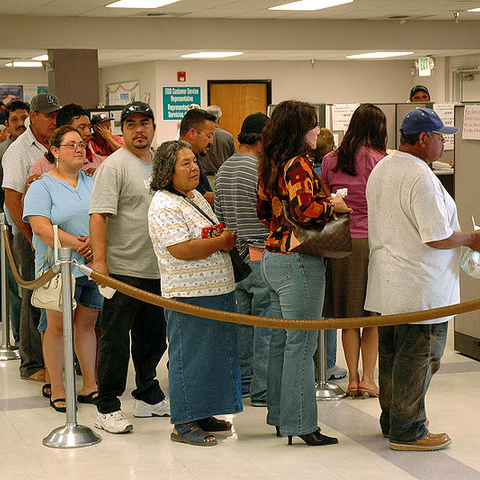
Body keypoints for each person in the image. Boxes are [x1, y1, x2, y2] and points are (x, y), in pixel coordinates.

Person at [365, 107, 480, 451]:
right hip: (420, 288)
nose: (445, 144)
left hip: (389, 284)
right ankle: (409, 428)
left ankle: (394, 418)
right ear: (423, 139)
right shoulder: (421, 177)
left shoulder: (383, 167)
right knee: (421, 355)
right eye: (441, 137)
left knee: (393, 354)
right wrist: (471, 239)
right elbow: (436, 236)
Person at [257, 100, 351, 446]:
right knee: (303, 343)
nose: (317, 131)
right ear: (299, 130)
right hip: (299, 261)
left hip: (273, 256)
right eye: (313, 125)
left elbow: (263, 210)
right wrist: (333, 205)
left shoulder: (270, 162)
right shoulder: (298, 164)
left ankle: (282, 416)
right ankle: (301, 424)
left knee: (284, 341)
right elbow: (306, 209)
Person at [148, 140, 242, 447]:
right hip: (188, 296)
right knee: (188, 358)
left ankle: (202, 413)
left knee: (212, 357)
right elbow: (181, 249)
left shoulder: (195, 197)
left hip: (217, 291)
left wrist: (219, 238)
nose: (194, 168)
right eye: (185, 163)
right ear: (167, 171)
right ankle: (184, 422)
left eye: (194, 162)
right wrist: (221, 242)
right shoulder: (164, 204)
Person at [89, 101, 169, 434]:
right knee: (115, 340)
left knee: (153, 339)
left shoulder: (160, 165)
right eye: (132, 123)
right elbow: (98, 215)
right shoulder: (115, 165)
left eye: (145, 123)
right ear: (122, 129)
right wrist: (101, 263)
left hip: (157, 270)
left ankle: (147, 395)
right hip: (122, 271)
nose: (139, 129)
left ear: (153, 128)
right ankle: (107, 406)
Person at [23, 125, 102, 412]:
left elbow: (102, 217)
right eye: (71, 144)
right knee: (56, 328)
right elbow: (42, 229)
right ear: (55, 151)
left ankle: (90, 384)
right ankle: (57, 386)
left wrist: (95, 242)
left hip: (91, 267)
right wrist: (79, 244)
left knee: (87, 325)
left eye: (81, 144)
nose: (79, 149)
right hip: (57, 269)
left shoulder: (92, 182)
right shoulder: (41, 186)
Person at [321, 104, 387, 397]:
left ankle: (351, 379)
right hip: (372, 241)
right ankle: (369, 378)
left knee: (349, 316)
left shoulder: (329, 159)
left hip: (340, 243)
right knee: (371, 316)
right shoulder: (380, 161)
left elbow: (323, 198)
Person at [214, 112, 272, 406]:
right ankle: (262, 391)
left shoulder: (223, 170)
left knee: (241, 327)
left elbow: (220, 219)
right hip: (262, 256)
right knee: (265, 327)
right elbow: (270, 215)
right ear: (262, 139)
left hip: (234, 260)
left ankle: (245, 383)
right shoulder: (262, 169)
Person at [2, 93, 60, 383]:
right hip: (29, 234)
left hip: (55, 234)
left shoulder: (57, 143)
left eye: (55, 115)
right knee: (31, 296)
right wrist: (31, 235)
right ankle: (32, 363)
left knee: (53, 295)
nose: (52, 120)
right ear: (32, 117)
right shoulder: (18, 150)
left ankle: (55, 358)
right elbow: (12, 200)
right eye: (47, 115)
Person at [311, 128, 346, 381]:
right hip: (327, 245)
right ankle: (327, 363)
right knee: (327, 308)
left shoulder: (294, 169)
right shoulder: (321, 175)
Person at [0, 100, 29, 346]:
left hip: (34, 229)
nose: (20, 124)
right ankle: (20, 341)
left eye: (24, 118)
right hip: (9, 229)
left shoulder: (42, 149)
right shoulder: (4, 153)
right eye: (14, 120)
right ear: (6, 125)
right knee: (16, 286)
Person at [29, 104, 104, 179]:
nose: (88, 133)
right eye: (82, 127)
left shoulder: (100, 164)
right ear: (64, 129)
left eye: (89, 127)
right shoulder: (42, 166)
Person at [178, 108, 216, 205]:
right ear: (192, 133)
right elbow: (199, 197)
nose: (211, 141)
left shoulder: (194, 156)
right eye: (209, 136)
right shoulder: (177, 161)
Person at [203, 105, 236, 175]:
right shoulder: (228, 137)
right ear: (219, 119)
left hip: (203, 178)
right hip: (223, 177)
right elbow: (234, 160)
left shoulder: (200, 135)